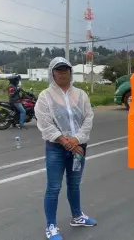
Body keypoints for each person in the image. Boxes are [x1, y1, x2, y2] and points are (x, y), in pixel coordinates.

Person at [34, 57, 96, 240]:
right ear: (52, 73)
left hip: (78, 147)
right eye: (58, 70)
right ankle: (51, 226)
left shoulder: (81, 95)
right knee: (53, 187)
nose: (62, 73)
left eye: (65, 69)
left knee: (74, 184)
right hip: (56, 148)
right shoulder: (45, 96)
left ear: (70, 72)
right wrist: (65, 141)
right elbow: (45, 122)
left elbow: (88, 118)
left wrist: (76, 139)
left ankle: (77, 216)